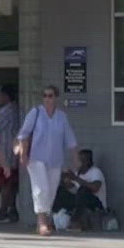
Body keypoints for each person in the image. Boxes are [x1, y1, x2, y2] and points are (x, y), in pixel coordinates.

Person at [16, 86, 78, 235]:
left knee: (50, 190)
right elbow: (24, 134)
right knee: (41, 188)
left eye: (50, 96)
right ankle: (41, 222)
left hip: (55, 160)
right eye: (45, 96)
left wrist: (75, 156)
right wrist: (23, 155)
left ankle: (46, 219)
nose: (47, 99)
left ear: (56, 98)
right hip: (36, 158)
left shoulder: (61, 117)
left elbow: (70, 137)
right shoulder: (35, 113)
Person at [0, 85, 22, 223]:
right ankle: (12, 209)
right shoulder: (13, 109)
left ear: (7, 97)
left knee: (5, 183)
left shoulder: (7, 111)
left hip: (6, 153)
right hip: (11, 152)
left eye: (0, 95)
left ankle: (3, 210)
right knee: (11, 182)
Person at [54, 149, 107, 231]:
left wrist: (75, 178)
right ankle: (55, 218)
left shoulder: (95, 172)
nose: (76, 163)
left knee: (83, 190)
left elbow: (95, 188)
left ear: (85, 162)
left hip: (95, 204)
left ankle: (75, 222)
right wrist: (61, 177)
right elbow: (67, 186)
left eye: (78, 160)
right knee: (60, 191)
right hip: (80, 203)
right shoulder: (77, 173)